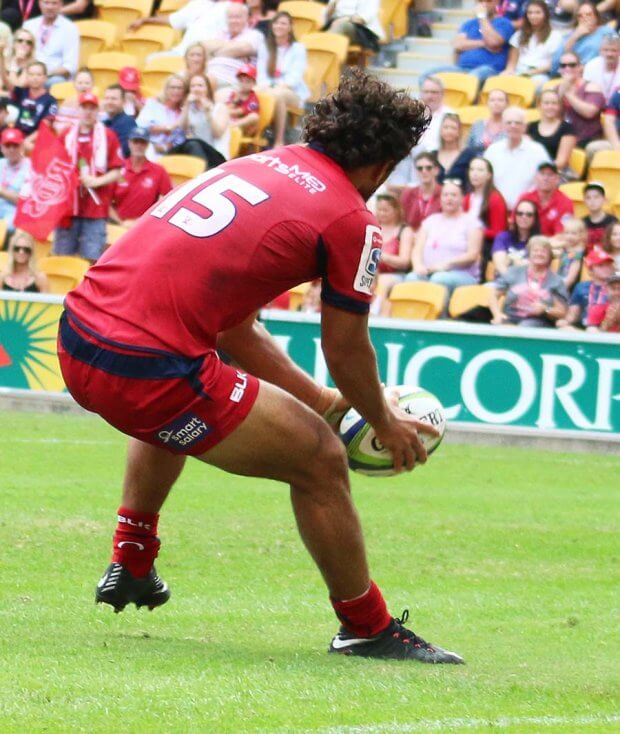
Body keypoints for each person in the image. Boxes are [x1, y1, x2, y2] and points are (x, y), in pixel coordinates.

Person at [56, 68, 466, 664]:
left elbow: (231, 330)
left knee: (185, 393)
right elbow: (346, 346)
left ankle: (132, 560)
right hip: (148, 367)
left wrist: (326, 403)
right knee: (320, 461)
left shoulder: (259, 163)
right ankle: (367, 627)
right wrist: (384, 419)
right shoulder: (352, 218)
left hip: (77, 335)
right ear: (382, 166)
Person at [54, 92, 123, 262]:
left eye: (92, 108)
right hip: (68, 208)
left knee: (91, 260)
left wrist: (97, 181)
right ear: (79, 110)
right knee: (62, 259)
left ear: (98, 111)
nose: (88, 112)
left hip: (95, 209)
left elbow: (117, 170)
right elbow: (54, 167)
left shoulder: (108, 136)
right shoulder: (67, 135)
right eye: (85, 108)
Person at [407, 179, 483, 297]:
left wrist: (447, 265)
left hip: (461, 274)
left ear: (462, 198)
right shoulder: (430, 221)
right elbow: (417, 249)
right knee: (412, 278)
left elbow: (473, 254)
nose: (449, 198)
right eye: (445, 195)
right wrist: (418, 265)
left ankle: (439, 315)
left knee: (439, 279)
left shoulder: (472, 223)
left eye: (454, 195)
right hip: (428, 271)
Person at [386, 76, 453, 192]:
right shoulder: (413, 113)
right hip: (410, 158)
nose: (430, 96)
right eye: (426, 92)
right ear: (421, 93)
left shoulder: (449, 115)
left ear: (442, 94)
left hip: (436, 159)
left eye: (434, 92)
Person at [425, 0, 514, 85]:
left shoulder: (504, 23)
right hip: (462, 68)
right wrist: (484, 43)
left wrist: (482, 16)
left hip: (490, 70)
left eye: (488, 0)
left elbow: (493, 42)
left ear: (497, 2)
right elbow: (457, 44)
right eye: (480, 1)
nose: (483, 4)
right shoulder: (469, 24)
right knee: (428, 76)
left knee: (472, 78)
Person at [489, 235, 568, 326]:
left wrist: (545, 309)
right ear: (529, 254)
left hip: (538, 322)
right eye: (535, 251)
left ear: (549, 256)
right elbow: (493, 295)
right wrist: (497, 315)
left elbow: (563, 312)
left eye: (543, 251)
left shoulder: (556, 281)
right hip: (510, 318)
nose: (539, 254)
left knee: (526, 325)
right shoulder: (514, 272)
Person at [256, 12, 308, 148]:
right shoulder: (265, 47)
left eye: (283, 23)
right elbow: (261, 74)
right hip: (268, 87)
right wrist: (267, 86)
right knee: (255, 92)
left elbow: (294, 78)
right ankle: (256, 134)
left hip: (292, 92)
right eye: (276, 23)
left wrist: (274, 86)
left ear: (290, 27)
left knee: (278, 95)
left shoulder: (298, 49)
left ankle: (279, 140)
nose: (279, 26)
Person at [484, 106, 550, 209]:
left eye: (518, 123)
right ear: (502, 126)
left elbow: (547, 180)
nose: (513, 126)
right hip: (495, 209)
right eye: (509, 123)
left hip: (527, 212)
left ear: (525, 127)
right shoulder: (492, 150)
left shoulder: (537, 151)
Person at [110, 127, 173, 228]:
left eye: (142, 142)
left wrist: (143, 222)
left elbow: (165, 201)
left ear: (147, 145)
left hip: (146, 226)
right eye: (135, 142)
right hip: (118, 224)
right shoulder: (118, 169)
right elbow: (107, 202)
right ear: (129, 143)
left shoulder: (158, 171)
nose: (139, 146)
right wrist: (120, 223)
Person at [129, 0, 230, 59]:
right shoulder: (199, 2)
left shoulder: (231, 8)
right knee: (152, 59)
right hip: (181, 52)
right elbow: (172, 19)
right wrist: (144, 20)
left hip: (204, 57)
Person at [463, 156, 507, 280]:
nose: (475, 174)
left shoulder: (495, 199)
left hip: (487, 246)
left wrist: (477, 233)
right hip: (467, 242)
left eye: (480, 170)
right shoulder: (467, 198)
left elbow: (499, 232)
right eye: (472, 170)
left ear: (489, 175)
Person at [205, 4, 265, 94]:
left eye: (238, 17)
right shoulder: (219, 33)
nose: (233, 21)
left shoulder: (255, 35)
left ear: (247, 18)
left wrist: (214, 53)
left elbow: (244, 49)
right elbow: (204, 47)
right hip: (210, 75)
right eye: (230, 17)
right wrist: (233, 49)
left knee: (203, 82)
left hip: (233, 81)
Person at [371, 193, 414, 316]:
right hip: (371, 273)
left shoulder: (405, 231)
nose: (382, 213)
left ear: (396, 210)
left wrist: (381, 256)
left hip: (395, 274)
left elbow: (404, 262)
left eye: (386, 210)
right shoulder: (373, 228)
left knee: (382, 283)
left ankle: (378, 315)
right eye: (379, 210)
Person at [556, 50, 606, 155]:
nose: (567, 68)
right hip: (562, 137)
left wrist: (568, 94)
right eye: (563, 65)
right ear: (559, 69)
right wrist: (560, 95)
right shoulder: (556, 89)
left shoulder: (591, 87)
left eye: (572, 65)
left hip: (586, 137)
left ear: (580, 67)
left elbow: (589, 112)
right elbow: (553, 116)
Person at [504, 0, 562, 87]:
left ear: (545, 15)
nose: (533, 16)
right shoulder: (519, 34)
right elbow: (512, 62)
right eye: (530, 13)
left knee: (534, 85)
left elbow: (551, 64)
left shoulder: (555, 36)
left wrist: (529, 73)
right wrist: (509, 72)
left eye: (537, 12)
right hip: (519, 71)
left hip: (539, 73)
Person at [178, 72, 230, 167]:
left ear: (207, 89)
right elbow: (182, 129)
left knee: (193, 144)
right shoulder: (190, 109)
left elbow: (218, 134)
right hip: (196, 153)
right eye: (193, 86)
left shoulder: (219, 108)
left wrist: (208, 113)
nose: (196, 89)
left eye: (200, 86)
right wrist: (186, 106)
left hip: (216, 155)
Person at [23, 0, 79, 85]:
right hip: (28, 74)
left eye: (54, 3)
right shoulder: (29, 25)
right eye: (46, 3)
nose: (50, 7)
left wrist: (43, 75)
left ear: (61, 5)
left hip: (52, 77)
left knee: (56, 82)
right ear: (40, 4)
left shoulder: (70, 29)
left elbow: (70, 66)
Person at [557, 245, 614, 328]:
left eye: (608, 265)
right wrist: (565, 321)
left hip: (607, 328)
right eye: (601, 266)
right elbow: (573, 314)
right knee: (564, 327)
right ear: (590, 269)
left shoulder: (616, 287)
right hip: (584, 326)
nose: (606, 268)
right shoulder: (581, 287)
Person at [551, 1, 614, 75]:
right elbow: (554, 66)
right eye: (580, 16)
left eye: (589, 14)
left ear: (596, 17)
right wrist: (574, 37)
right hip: (572, 74)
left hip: (598, 73)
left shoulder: (606, 31)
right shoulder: (569, 36)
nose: (585, 18)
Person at [516, 161, 574, 236]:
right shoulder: (525, 198)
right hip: (524, 243)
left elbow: (562, 236)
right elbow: (514, 225)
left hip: (552, 245)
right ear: (535, 177)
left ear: (557, 179)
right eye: (542, 174)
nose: (545, 178)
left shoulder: (565, 202)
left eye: (550, 175)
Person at [526, 88, 576, 175]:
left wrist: (542, 172)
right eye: (546, 103)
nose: (550, 107)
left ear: (559, 106)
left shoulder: (567, 128)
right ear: (539, 105)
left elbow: (561, 161)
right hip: (532, 171)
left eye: (554, 103)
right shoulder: (529, 127)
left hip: (556, 172)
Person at [136, 74, 187, 158]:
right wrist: (169, 128)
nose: (176, 91)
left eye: (179, 88)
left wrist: (165, 147)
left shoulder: (183, 112)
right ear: (166, 90)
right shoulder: (153, 104)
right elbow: (142, 127)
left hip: (171, 153)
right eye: (172, 87)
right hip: (149, 147)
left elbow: (181, 139)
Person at [10, 60, 57, 150]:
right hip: (17, 136)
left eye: (39, 75)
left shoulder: (50, 100)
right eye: (31, 75)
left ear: (45, 78)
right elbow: (9, 84)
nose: (35, 78)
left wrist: (26, 141)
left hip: (35, 140)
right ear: (27, 77)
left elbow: (45, 126)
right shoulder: (22, 93)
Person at [491, 198, 541, 275]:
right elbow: (500, 265)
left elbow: (535, 268)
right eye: (520, 213)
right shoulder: (503, 237)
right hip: (503, 281)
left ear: (535, 218)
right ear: (515, 216)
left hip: (527, 283)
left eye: (529, 214)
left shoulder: (539, 241)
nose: (524, 217)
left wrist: (510, 261)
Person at [431, 113, 480, 187]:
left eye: (453, 128)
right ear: (441, 130)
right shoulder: (432, 156)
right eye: (446, 127)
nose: (449, 131)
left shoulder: (469, 155)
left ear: (459, 132)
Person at [0, 127, 30, 240]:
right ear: (1, 148)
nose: (11, 149)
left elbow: (25, 201)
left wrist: (2, 191)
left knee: (10, 225)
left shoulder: (30, 168)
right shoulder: (0, 164)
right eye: (7, 146)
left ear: (22, 146)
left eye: (15, 145)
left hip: (15, 213)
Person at [399, 151, 442, 230]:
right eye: (420, 168)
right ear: (416, 172)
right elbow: (402, 222)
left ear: (436, 170)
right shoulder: (408, 194)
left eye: (428, 168)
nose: (424, 171)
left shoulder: (444, 193)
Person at [54, 67, 94, 132]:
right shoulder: (68, 102)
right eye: (80, 83)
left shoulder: (97, 104)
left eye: (87, 83)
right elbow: (58, 123)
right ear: (74, 84)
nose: (83, 86)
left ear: (92, 85)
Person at [102, 84, 137, 158]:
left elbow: (123, 152)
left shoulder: (127, 123)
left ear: (124, 102)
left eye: (113, 99)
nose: (109, 102)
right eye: (107, 98)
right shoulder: (103, 123)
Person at [583, 34, 620, 104]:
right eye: (606, 50)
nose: (609, 54)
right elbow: (586, 90)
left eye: (614, 50)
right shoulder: (591, 65)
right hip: (595, 104)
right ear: (600, 51)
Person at [582, 181, 617, 252]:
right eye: (588, 198)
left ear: (604, 199)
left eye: (596, 197)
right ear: (584, 201)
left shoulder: (612, 221)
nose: (592, 201)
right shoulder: (582, 223)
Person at [226, 64, 260, 137]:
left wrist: (228, 112)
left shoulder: (253, 98)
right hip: (232, 120)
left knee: (254, 116)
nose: (243, 84)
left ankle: (231, 126)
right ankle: (229, 126)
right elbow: (227, 109)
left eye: (247, 81)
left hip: (246, 128)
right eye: (241, 81)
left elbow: (240, 112)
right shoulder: (234, 94)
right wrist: (235, 100)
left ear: (254, 83)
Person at [553, 215, 585, 290]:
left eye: (573, 233)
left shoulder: (577, 253)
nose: (569, 236)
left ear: (580, 235)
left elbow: (571, 277)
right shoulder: (564, 248)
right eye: (567, 233)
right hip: (558, 280)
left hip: (567, 286)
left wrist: (561, 290)